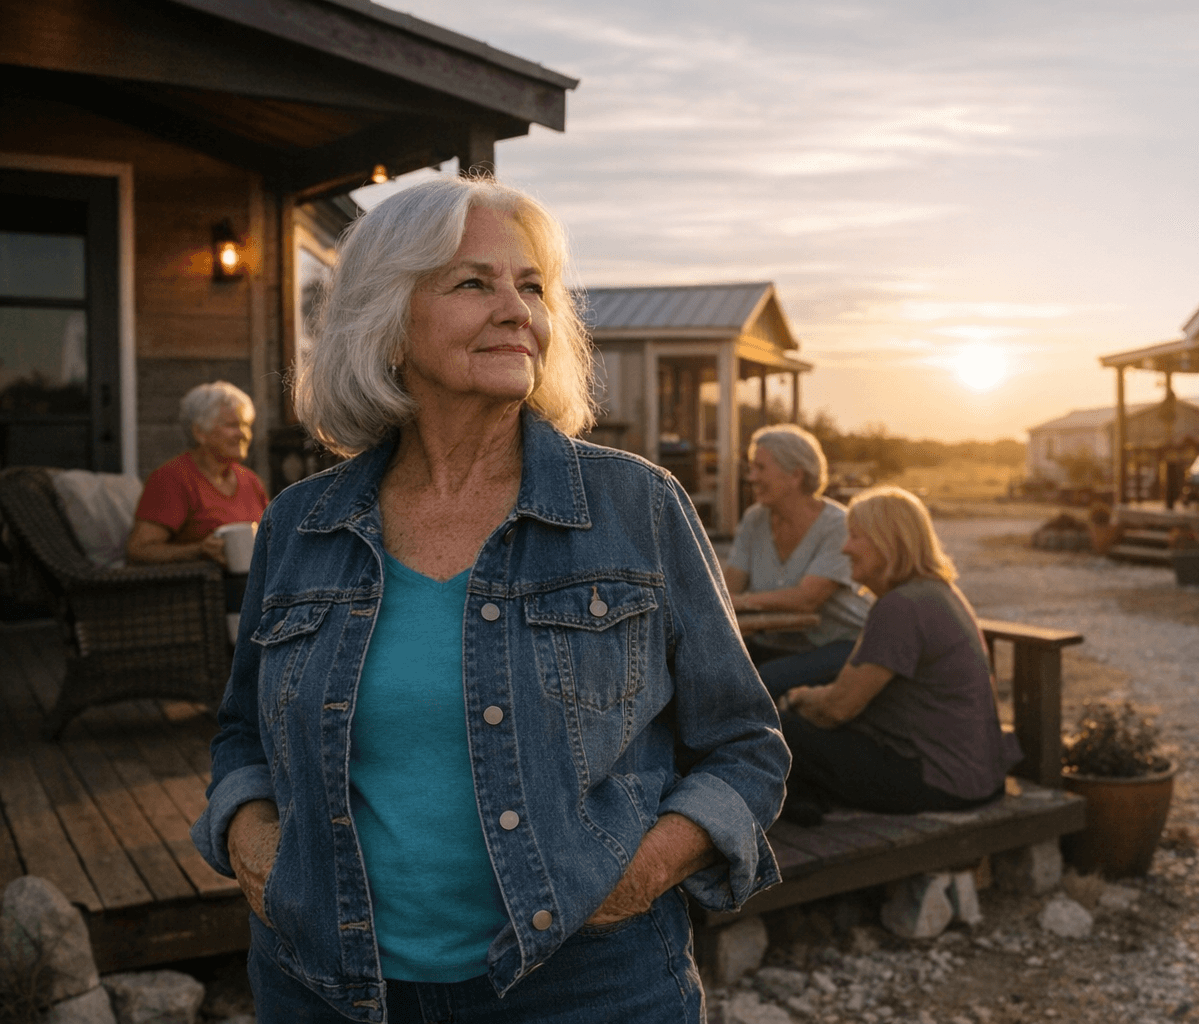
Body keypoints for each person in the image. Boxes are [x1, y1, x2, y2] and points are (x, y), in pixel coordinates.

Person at [190, 176, 789, 1024]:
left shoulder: (637, 509)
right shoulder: (300, 524)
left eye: (532, 286)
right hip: (324, 980)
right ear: (386, 320)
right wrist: (252, 840)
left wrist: (635, 880)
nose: (517, 310)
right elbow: (242, 732)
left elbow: (746, 747)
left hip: (586, 982)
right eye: (474, 282)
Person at [779, 486, 1019, 825]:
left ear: (887, 542)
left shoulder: (901, 607)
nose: (845, 548)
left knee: (778, 730)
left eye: (855, 537)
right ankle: (807, 805)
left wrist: (797, 698)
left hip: (940, 781)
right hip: (976, 777)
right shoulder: (936, 592)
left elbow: (838, 708)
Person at [724, 424, 870, 697]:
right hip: (778, 641)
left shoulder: (838, 525)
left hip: (842, 643)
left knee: (760, 687)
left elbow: (807, 599)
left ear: (795, 475)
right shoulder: (755, 519)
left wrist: (742, 602)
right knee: (704, 674)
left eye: (760, 468)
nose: (751, 477)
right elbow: (728, 589)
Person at [126, 381, 268, 568]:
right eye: (232, 425)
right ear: (200, 432)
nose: (243, 434)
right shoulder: (172, 479)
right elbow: (138, 551)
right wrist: (199, 550)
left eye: (246, 425)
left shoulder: (250, 481)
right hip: (204, 591)